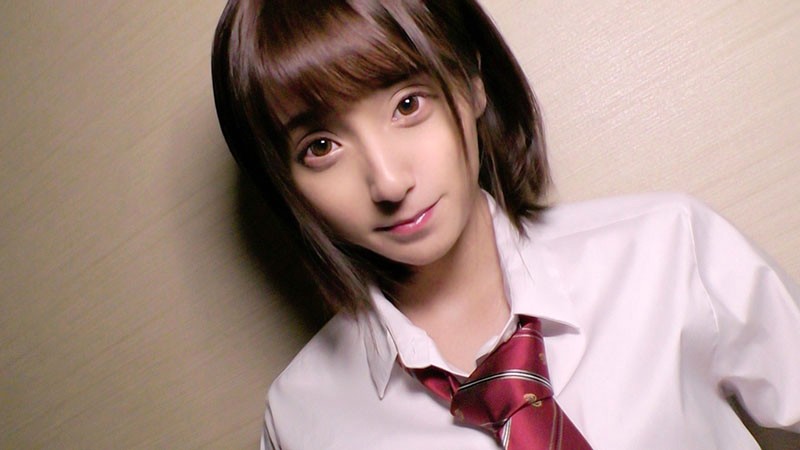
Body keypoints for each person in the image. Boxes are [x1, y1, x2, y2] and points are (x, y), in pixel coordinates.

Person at [210, 1, 800, 448]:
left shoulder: (667, 249)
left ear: (471, 84)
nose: (387, 182)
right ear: (285, 182)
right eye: (320, 146)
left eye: (408, 104)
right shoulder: (302, 418)